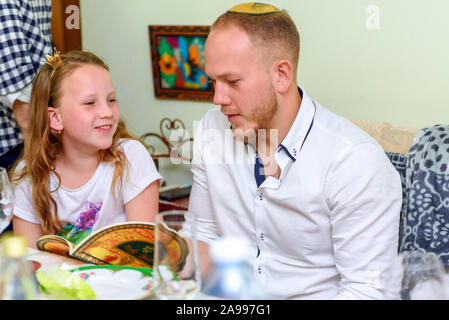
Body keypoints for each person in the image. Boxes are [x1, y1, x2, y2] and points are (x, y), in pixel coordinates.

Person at [184, 3, 402, 299]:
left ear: (282, 75)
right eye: (213, 81)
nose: (218, 98)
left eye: (232, 82)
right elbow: (204, 235)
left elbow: (367, 291)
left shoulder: (355, 161)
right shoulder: (212, 129)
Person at [10, 50, 162, 247]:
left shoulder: (131, 157)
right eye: (90, 103)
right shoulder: (28, 174)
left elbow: (143, 252)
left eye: (111, 100)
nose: (107, 112)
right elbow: (28, 262)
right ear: (55, 118)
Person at [0, 0, 53, 233]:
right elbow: (19, 97)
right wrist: (45, 150)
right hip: (15, 144)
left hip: (24, 138)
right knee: (18, 254)